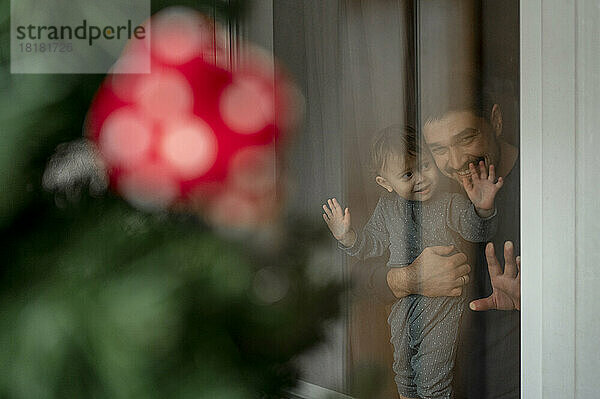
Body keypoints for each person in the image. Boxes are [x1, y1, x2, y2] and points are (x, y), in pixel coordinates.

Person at [322, 125, 504, 399]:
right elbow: (371, 246)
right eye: (408, 174)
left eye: (426, 166)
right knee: (404, 376)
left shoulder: (449, 204)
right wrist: (347, 237)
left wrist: (482, 208)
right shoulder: (386, 209)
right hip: (402, 309)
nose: (421, 178)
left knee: (433, 380)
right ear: (386, 183)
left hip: (440, 308)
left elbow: (476, 231)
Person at [375, 101, 521, 398]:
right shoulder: (429, 190)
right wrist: (408, 278)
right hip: (444, 374)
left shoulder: (550, 185)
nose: (455, 161)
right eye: (438, 149)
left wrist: (533, 301)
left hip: (515, 379)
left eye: (466, 138)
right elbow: (356, 273)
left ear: (496, 119)